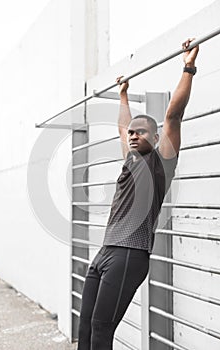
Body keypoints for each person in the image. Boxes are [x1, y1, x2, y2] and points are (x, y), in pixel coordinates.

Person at [77, 38, 199, 350]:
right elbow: (122, 127)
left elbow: (173, 116)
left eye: (140, 131)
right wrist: (123, 95)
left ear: (155, 137)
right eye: (132, 132)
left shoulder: (161, 163)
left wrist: (188, 67)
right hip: (106, 251)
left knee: (103, 331)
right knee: (87, 328)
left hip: (129, 255)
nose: (132, 134)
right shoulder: (130, 160)